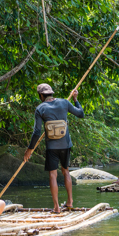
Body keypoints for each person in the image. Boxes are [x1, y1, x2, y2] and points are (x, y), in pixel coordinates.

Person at [23, 83, 84, 213]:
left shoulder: (40, 108)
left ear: (41, 95)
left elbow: (37, 132)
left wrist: (30, 149)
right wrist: (75, 99)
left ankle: (56, 207)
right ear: (51, 93)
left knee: (53, 174)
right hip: (66, 145)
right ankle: (70, 202)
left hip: (51, 147)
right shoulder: (64, 103)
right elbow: (80, 114)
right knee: (66, 171)